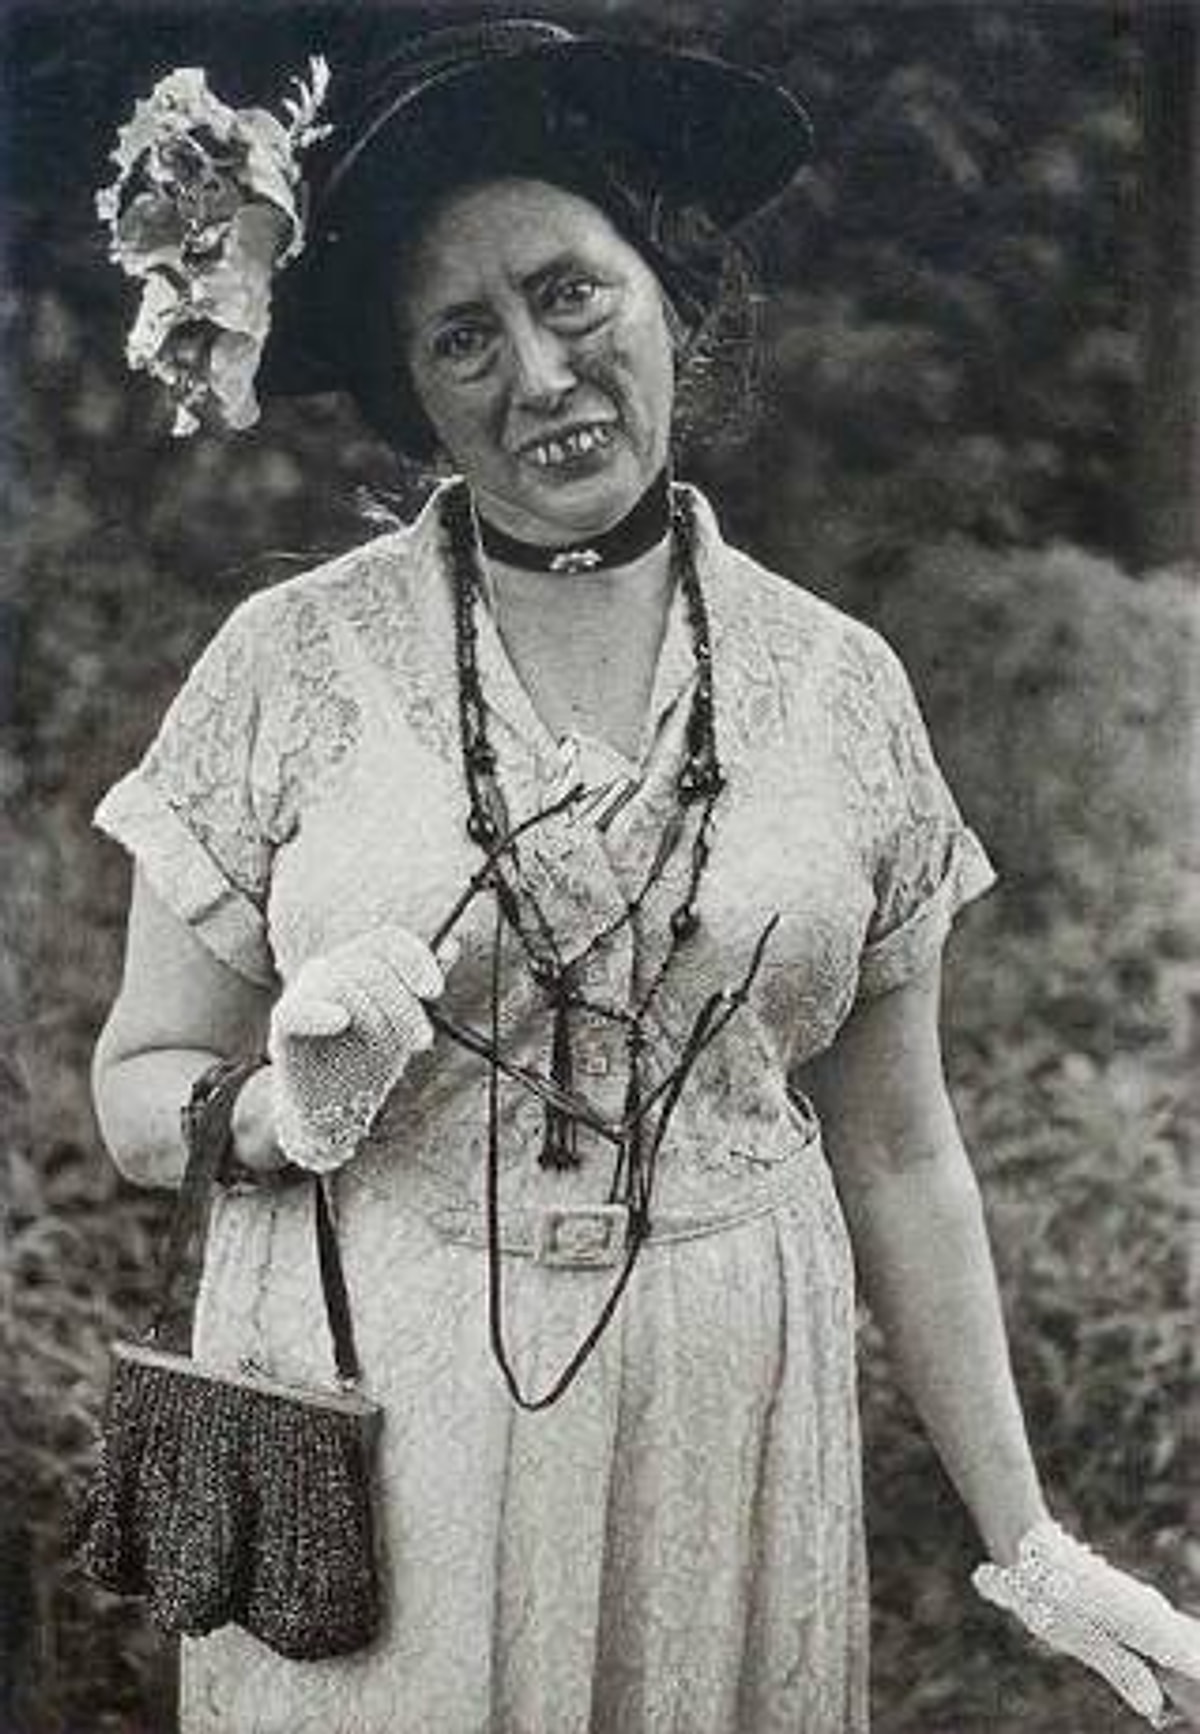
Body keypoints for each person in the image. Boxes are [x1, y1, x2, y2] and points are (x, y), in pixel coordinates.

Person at [88, 19, 1200, 1734]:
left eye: (571, 294)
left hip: (724, 1418)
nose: (539, 374)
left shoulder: (835, 686)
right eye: (464, 337)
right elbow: (133, 1086)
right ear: (412, 390)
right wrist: (269, 1106)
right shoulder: (291, 664)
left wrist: (1031, 1541)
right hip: (379, 1406)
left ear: (669, 297)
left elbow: (902, 1150)